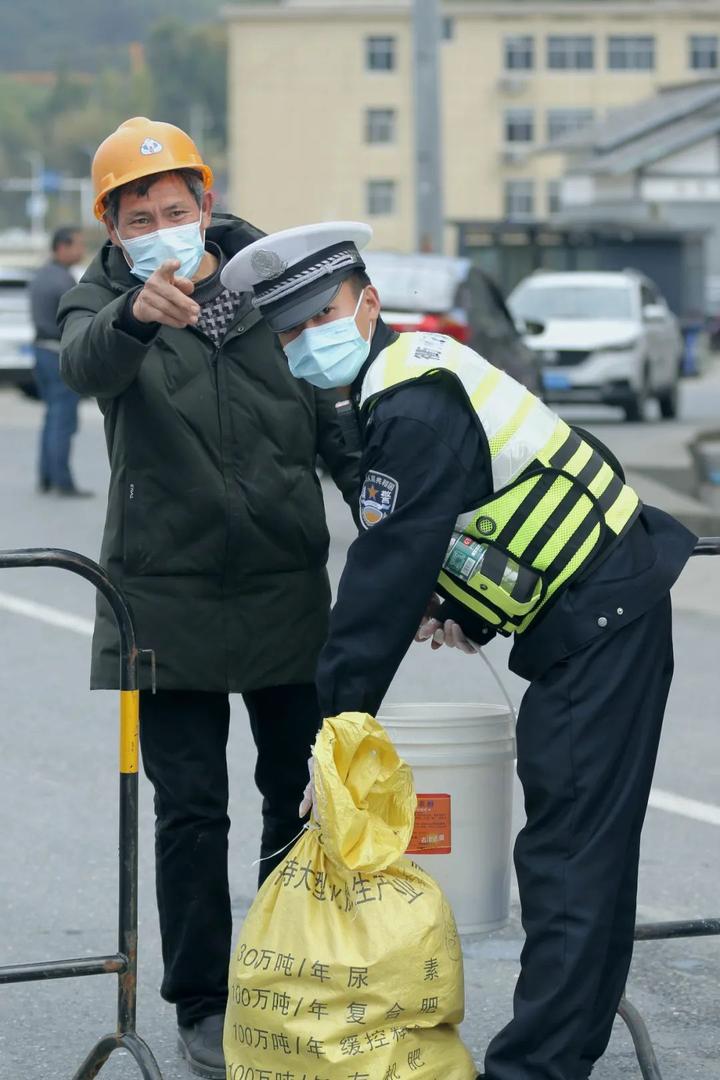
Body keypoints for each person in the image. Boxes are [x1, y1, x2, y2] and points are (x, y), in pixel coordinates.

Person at [221, 222, 698, 1080]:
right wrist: (467, 607)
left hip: (602, 618)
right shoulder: (407, 380)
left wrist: (332, 733)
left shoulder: (413, 406)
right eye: (286, 333)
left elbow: (376, 587)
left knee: (568, 858)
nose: (304, 344)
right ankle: (561, 1053)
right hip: (589, 610)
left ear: (368, 303)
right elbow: (496, 500)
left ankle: (537, 1068)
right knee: (579, 852)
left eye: (318, 317)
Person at [58, 124, 360, 1080]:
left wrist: (403, 530)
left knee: (299, 800)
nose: (159, 230)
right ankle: (202, 1003)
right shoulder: (105, 298)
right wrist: (139, 315)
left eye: (174, 211)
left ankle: (281, 981)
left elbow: (332, 418)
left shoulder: (270, 283)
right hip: (166, 592)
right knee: (191, 811)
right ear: (110, 226)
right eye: (137, 217)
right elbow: (84, 366)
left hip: (282, 586)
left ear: (205, 204)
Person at [29, 225, 90, 496]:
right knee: (62, 419)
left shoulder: (42, 275)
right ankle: (63, 482)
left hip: (41, 352)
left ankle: (46, 477)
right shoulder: (62, 281)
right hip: (56, 354)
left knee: (52, 416)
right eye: (77, 245)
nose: (82, 250)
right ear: (62, 247)